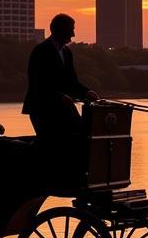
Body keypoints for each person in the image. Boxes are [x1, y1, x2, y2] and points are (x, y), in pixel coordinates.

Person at [22, 13, 100, 142]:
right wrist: (59, 96)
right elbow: (38, 83)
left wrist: (87, 92)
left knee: (81, 136)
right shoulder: (40, 51)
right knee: (52, 145)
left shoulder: (67, 52)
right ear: (61, 30)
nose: (73, 35)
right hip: (43, 109)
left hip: (63, 107)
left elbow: (72, 82)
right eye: (71, 30)